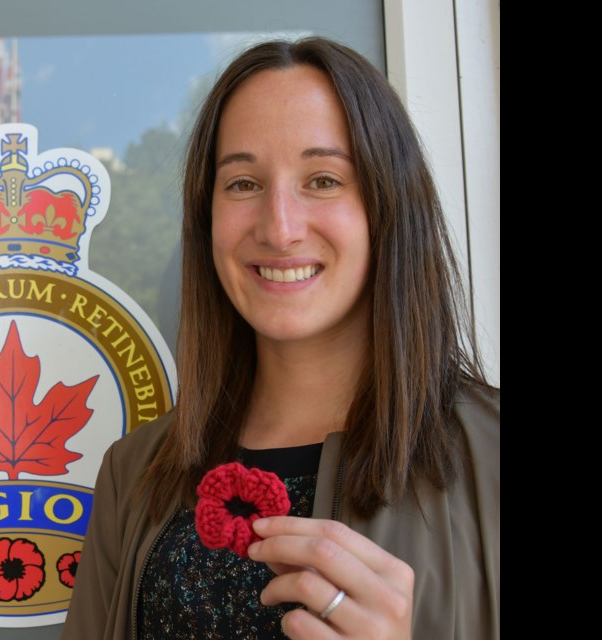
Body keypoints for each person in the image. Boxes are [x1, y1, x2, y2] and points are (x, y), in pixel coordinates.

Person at [61, 35, 499, 640]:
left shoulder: (493, 461)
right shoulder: (132, 476)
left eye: (322, 179)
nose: (280, 228)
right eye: (242, 183)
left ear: (388, 207)